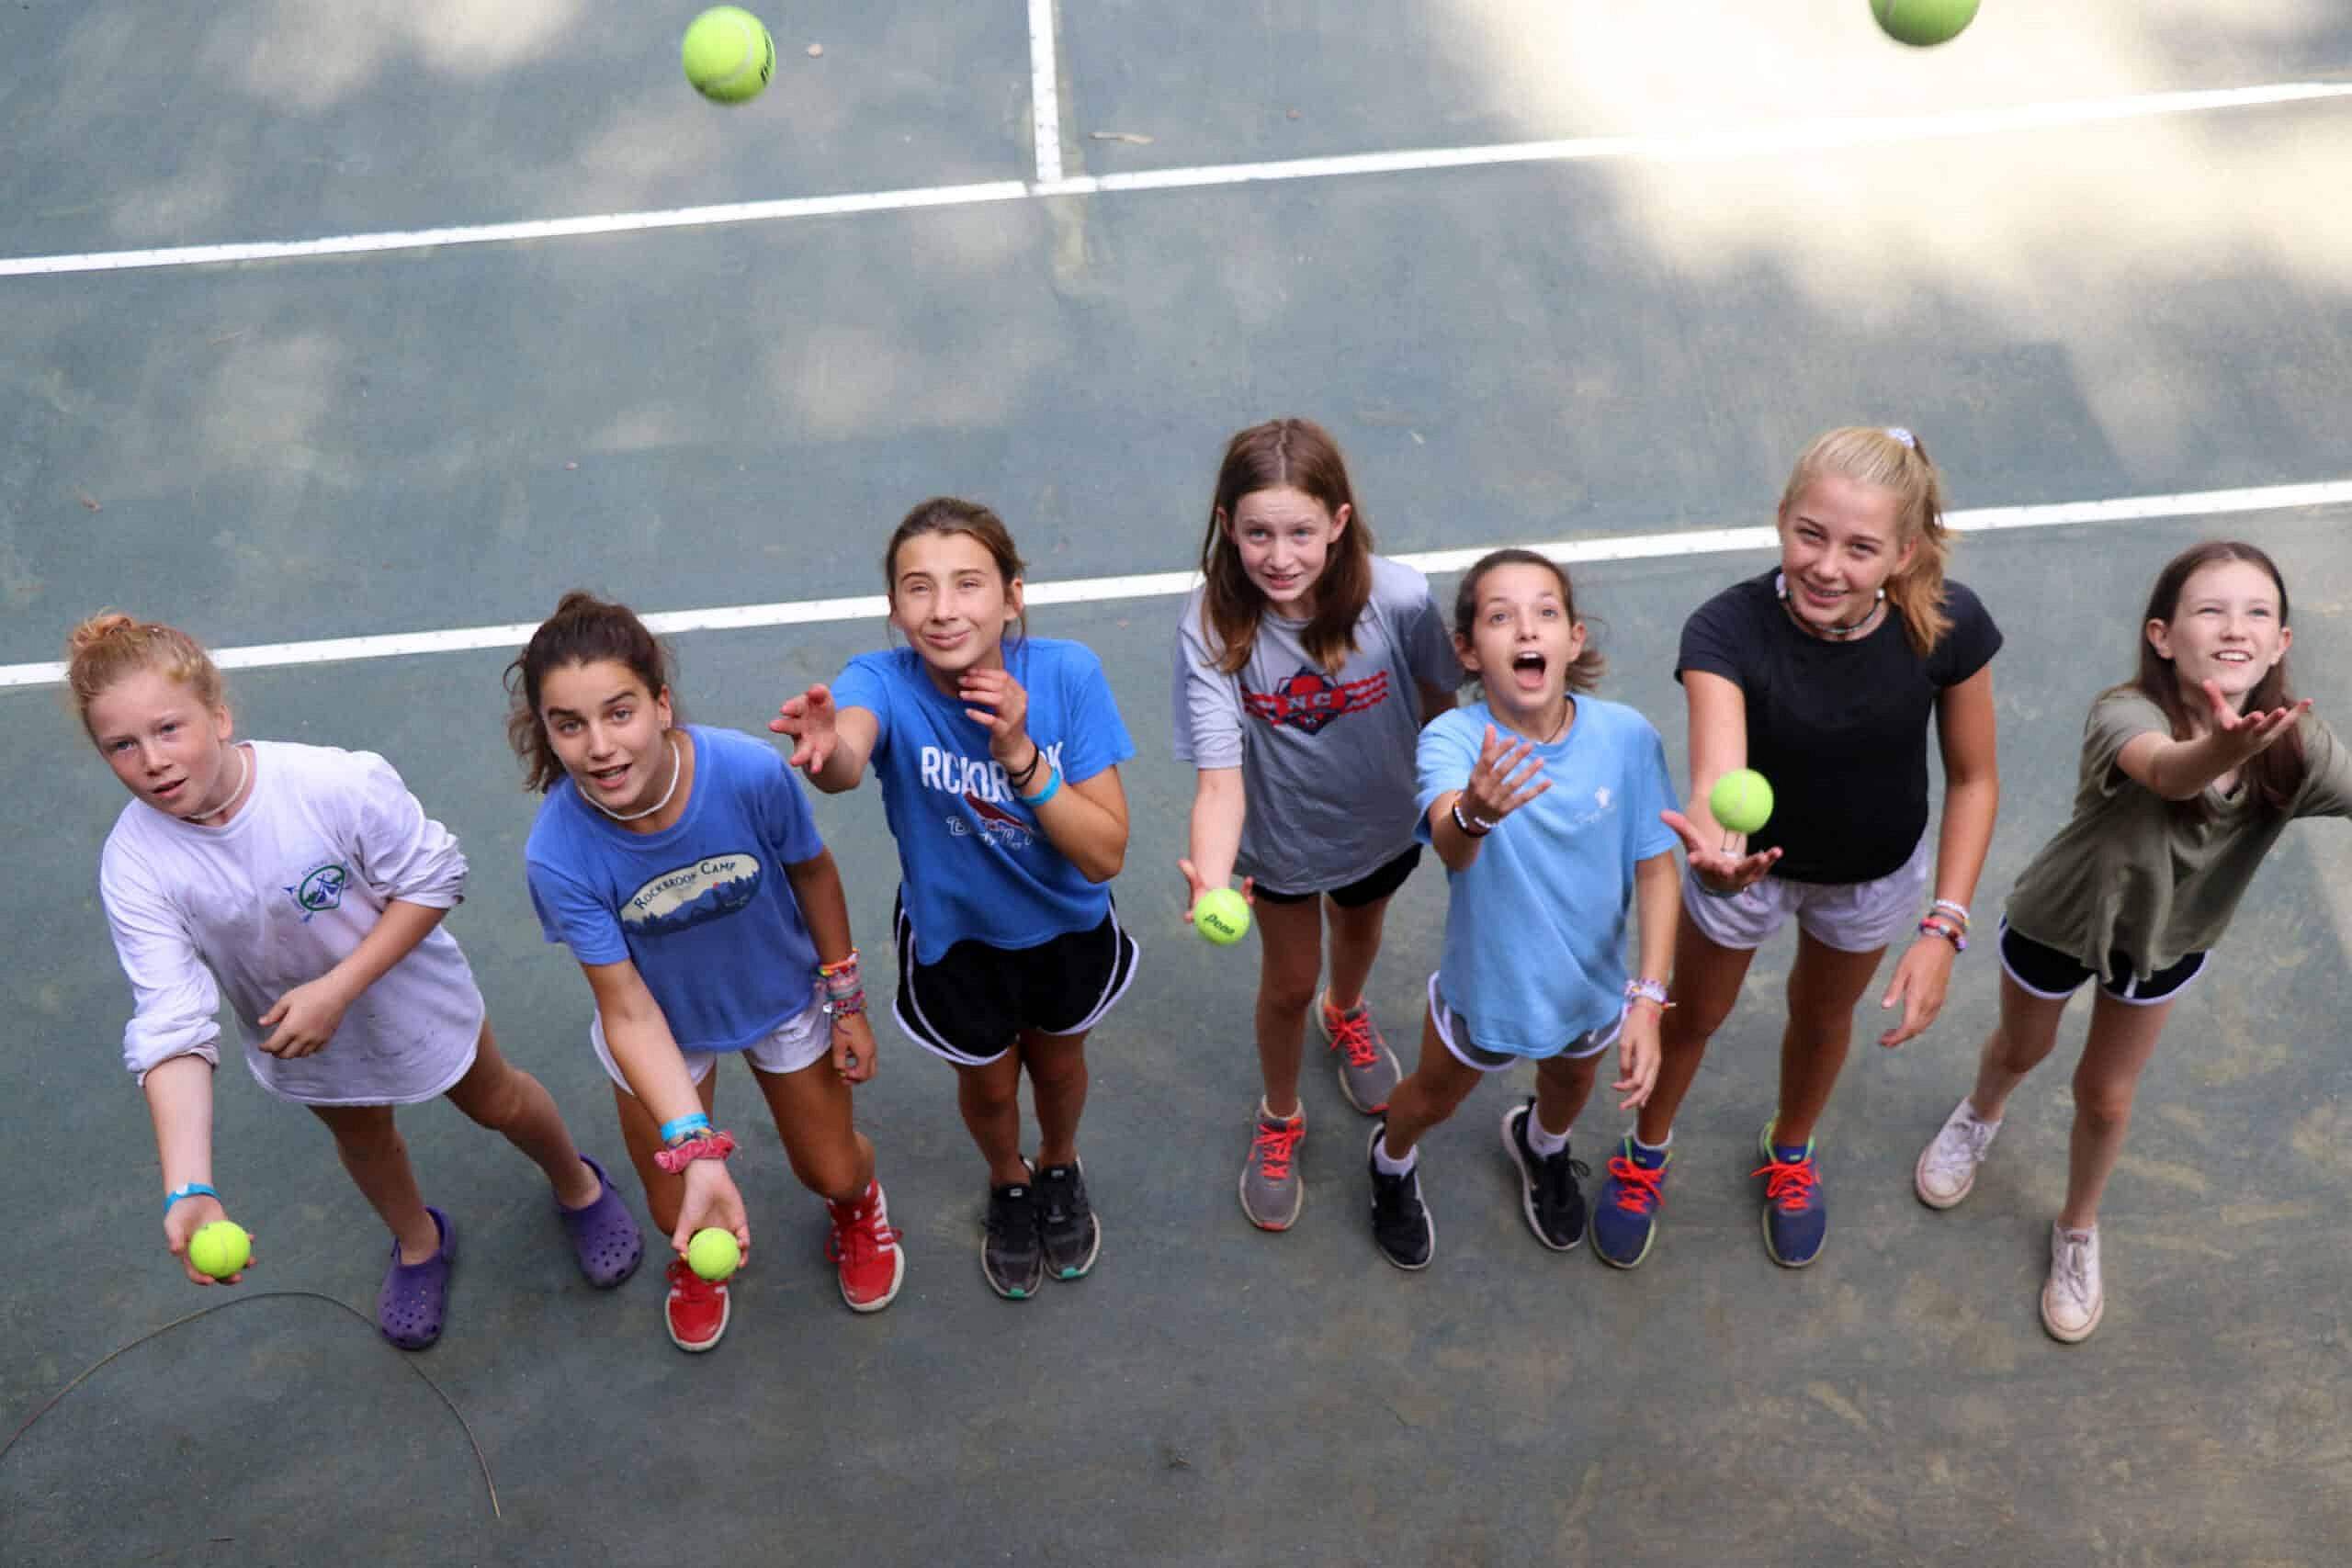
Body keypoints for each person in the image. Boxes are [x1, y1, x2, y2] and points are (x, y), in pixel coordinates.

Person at [75, 612, 639, 1351]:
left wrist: (338, 988)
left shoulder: (331, 782)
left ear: (218, 714)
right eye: (123, 745)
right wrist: (191, 1186)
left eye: (169, 728)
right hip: (303, 1041)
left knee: (497, 1097)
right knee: (364, 1136)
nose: (153, 760)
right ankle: (418, 1241)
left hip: (412, 997)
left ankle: (578, 1183)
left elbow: (435, 878)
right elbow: (172, 1021)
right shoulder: (135, 863)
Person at [1913, 539, 2347, 1341]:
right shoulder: (2125, 712)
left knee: (2106, 1096)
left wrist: (2249, 747)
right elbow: (2171, 770)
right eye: (2210, 609)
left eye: (2258, 612)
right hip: (2061, 919)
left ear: (2282, 642)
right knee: (2019, 1049)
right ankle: (1981, 1112)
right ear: (2162, 635)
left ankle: (2077, 1227)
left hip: (2166, 942)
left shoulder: (2296, 745)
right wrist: (2222, 749)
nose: (2235, 626)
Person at [1600, 426, 2002, 1269]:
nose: (1827, 566)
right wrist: (1715, 853)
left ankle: (1790, 1148)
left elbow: (1973, 779)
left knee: (1822, 1019)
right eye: (1810, 535)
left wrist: (1944, 926)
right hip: (1747, 874)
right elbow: (1719, 770)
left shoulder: (1950, 627)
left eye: (1861, 548)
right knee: (1697, 1014)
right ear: (1782, 518)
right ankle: (1645, 1150)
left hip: (1871, 878)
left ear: (1904, 552)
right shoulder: (1726, 630)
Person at [512, 592, 902, 1352]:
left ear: (661, 704)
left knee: (831, 1168)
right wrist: (696, 1147)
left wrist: (845, 997)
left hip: (781, 993)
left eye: (619, 712)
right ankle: (695, 1253)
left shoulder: (748, 773)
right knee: (672, 1204)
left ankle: (859, 1209)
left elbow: (814, 874)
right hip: (662, 1029)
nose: (598, 745)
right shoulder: (558, 853)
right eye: (569, 724)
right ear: (548, 733)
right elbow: (625, 1010)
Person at [773, 497, 1136, 1300]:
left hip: (1065, 927)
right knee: (991, 1084)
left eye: (968, 584)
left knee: (1061, 1062)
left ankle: (1059, 1162)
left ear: (1011, 596)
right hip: (957, 940)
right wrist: (829, 749)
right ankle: (1009, 1179)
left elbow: (1105, 850)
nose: (943, 610)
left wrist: (1017, 751)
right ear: (895, 607)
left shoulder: (1068, 673)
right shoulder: (881, 680)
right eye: (918, 588)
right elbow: (847, 750)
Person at [1172, 417, 1460, 1232]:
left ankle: (1349, 1008)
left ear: (1338, 523)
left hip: (1383, 819)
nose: (1280, 556)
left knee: (1361, 926)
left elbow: (1443, 709)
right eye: (1258, 532)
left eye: (1301, 531)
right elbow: (1220, 780)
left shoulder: (1399, 599)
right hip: (1281, 839)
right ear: (1227, 527)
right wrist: (1214, 869)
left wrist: (1453, 807)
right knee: (1287, 982)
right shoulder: (1213, 627)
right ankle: (1280, 1113)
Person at [1362, 551, 1679, 1269]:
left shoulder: (1627, 737)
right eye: (1499, 616)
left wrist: (1649, 998)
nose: (1524, 629)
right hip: (1487, 991)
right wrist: (1474, 813)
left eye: (1545, 611)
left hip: (1591, 992)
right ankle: (1389, 1158)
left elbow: (1658, 868)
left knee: (1568, 1089)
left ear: (1574, 637)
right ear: (1470, 650)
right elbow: (1451, 843)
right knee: (1429, 1100)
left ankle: (1539, 1143)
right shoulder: (1453, 740)